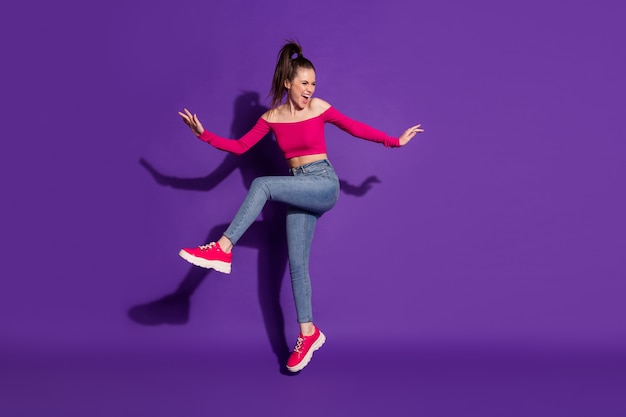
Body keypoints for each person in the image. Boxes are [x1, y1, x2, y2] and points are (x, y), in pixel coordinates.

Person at [178, 40, 424, 372]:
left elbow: (354, 127)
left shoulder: (320, 108)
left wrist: (394, 141)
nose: (309, 89)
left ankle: (222, 249)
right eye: (304, 83)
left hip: (322, 183)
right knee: (297, 265)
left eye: (313, 84)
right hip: (298, 186)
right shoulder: (271, 118)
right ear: (287, 83)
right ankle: (308, 332)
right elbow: (238, 147)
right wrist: (203, 135)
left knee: (262, 184)